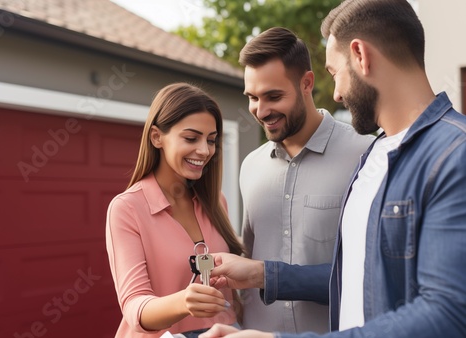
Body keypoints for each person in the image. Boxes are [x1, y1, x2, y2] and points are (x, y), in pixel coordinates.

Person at [200, 0, 466, 337]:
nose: (337, 94)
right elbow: (352, 278)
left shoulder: (454, 154)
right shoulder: (376, 157)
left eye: (334, 73)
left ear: (360, 55)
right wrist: (261, 275)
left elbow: (449, 316)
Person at [237, 27, 374, 333]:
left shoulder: (365, 155)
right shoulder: (250, 166)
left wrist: (265, 275)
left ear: (307, 83)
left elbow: (374, 276)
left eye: (273, 96)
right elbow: (246, 259)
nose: (261, 111)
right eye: (252, 98)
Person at [106, 82, 245, 338]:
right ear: (157, 137)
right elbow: (134, 306)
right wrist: (183, 302)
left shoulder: (216, 201)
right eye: (191, 138)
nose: (204, 151)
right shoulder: (127, 208)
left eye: (211, 140)